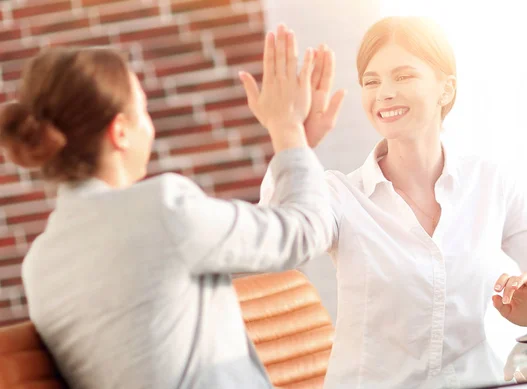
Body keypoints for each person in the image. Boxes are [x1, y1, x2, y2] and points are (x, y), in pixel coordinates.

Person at [260, 16, 527, 388]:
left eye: (403, 76)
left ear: (446, 89)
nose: (384, 92)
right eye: (371, 81)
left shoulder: (490, 184)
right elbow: (274, 248)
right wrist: (293, 143)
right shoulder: (340, 196)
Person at [0, 26, 335, 389]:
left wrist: (296, 147)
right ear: (121, 132)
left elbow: (251, 243)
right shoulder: (161, 210)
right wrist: (286, 128)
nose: (151, 127)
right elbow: (307, 231)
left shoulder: (39, 264)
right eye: (143, 110)